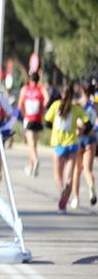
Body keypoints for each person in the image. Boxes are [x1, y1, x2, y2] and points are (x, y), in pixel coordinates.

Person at [43, 82, 91, 213]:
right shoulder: (76, 108)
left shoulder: (55, 106)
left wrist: (54, 128)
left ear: (61, 94)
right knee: (69, 176)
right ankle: (64, 201)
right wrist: (82, 133)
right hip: (72, 145)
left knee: (57, 176)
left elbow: (46, 122)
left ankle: (62, 195)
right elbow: (89, 124)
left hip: (58, 145)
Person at [70, 84, 97, 208]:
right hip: (91, 140)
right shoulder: (94, 106)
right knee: (88, 169)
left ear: (81, 90)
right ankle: (91, 188)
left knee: (77, 171)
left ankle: (75, 198)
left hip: (79, 139)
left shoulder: (78, 105)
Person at [18, 72, 49, 177]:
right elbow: (47, 98)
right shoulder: (41, 89)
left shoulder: (25, 89)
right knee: (34, 144)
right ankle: (31, 167)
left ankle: (35, 161)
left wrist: (23, 114)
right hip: (38, 119)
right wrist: (42, 109)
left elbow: (20, 104)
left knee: (30, 144)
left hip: (28, 119)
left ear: (29, 79)